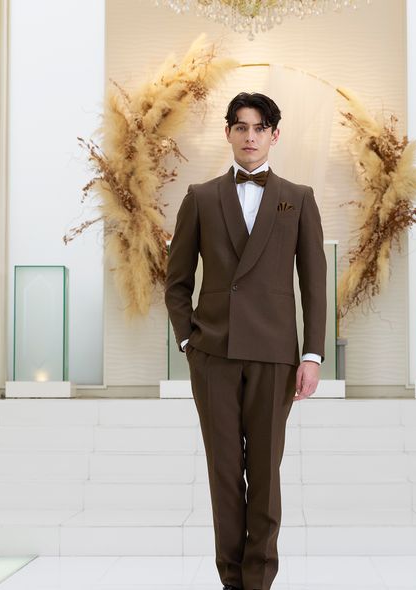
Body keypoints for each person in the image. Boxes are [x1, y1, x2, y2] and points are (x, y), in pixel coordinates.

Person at [164, 92, 327, 590]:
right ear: (228, 133)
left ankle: (259, 580)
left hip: (275, 355)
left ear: (274, 135)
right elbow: (176, 282)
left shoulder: (298, 198)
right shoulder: (201, 196)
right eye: (240, 127)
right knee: (224, 474)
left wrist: (312, 354)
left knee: (266, 473)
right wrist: (189, 343)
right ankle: (230, 580)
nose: (249, 136)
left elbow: (314, 283)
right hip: (213, 353)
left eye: (259, 128)